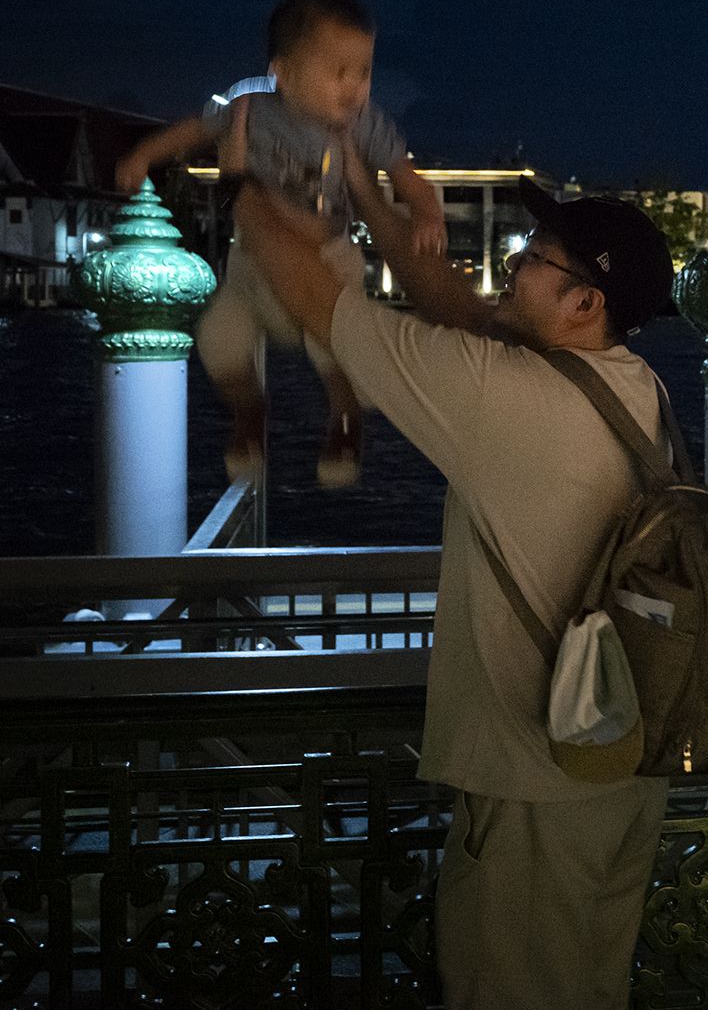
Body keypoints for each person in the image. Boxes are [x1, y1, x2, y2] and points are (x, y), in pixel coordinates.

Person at [235, 147, 683, 1010]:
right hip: (624, 768)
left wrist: (258, 170)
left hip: (534, 781)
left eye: (534, 258)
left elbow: (317, 299)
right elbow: (460, 310)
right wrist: (367, 192)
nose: (512, 264)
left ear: (584, 302)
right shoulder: (637, 389)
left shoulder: (502, 397)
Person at [115, 0, 444, 485]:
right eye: (339, 72)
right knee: (218, 341)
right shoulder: (251, 108)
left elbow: (409, 179)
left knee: (333, 345)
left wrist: (427, 215)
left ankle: (345, 417)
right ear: (283, 75)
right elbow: (193, 132)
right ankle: (249, 413)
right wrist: (144, 155)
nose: (355, 87)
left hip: (327, 255)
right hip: (254, 263)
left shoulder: (364, 126)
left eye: (364, 71)